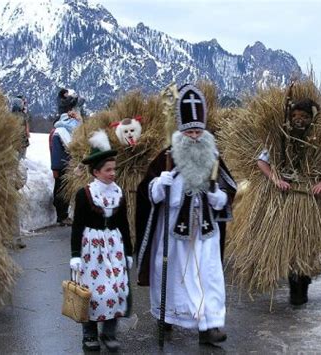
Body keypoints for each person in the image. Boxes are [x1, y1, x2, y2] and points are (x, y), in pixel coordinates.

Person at [135, 84, 236, 345]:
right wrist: (159, 185)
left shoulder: (213, 156)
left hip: (205, 232)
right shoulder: (165, 158)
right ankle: (166, 316)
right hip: (172, 231)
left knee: (208, 277)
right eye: (189, 131)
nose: (194, 136)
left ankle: (209, 325)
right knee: (172, 275)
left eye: (198, 131)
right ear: (180, 131)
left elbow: (228, 190)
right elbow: (145, 193)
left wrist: (218, 197)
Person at [257, 98, 321, 305]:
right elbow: (260, 161)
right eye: (294, 116)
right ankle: (295, 285)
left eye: (303, 116)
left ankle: (304, 281)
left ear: (312, 118)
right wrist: (276, 179)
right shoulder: (281, 140)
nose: (298, 120)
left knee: (308, 242)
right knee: (291, 242)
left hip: (312, 200)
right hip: (288, 199)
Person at [69, 129, 133, 352]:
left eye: (114, 169)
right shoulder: (85, 194)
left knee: (115, 289)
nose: (113, 173)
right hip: (92, 249)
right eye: (108, 170)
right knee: (93, 292)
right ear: (96, 172)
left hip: (114, 247)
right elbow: (77, 226)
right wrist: (75, 255)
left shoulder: (118, 193)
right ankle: (89, 332)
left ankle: (109, 331)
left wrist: (129, 251)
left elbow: (124, 223)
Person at [50, 111, 81, 225]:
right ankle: (62, 215)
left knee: (64, 190)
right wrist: (55, 168)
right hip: (62, 166)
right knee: (62, 191)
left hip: (66, 165)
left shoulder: (65, 132)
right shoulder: (61, 133)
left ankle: (63, 214)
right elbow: (57, 153)